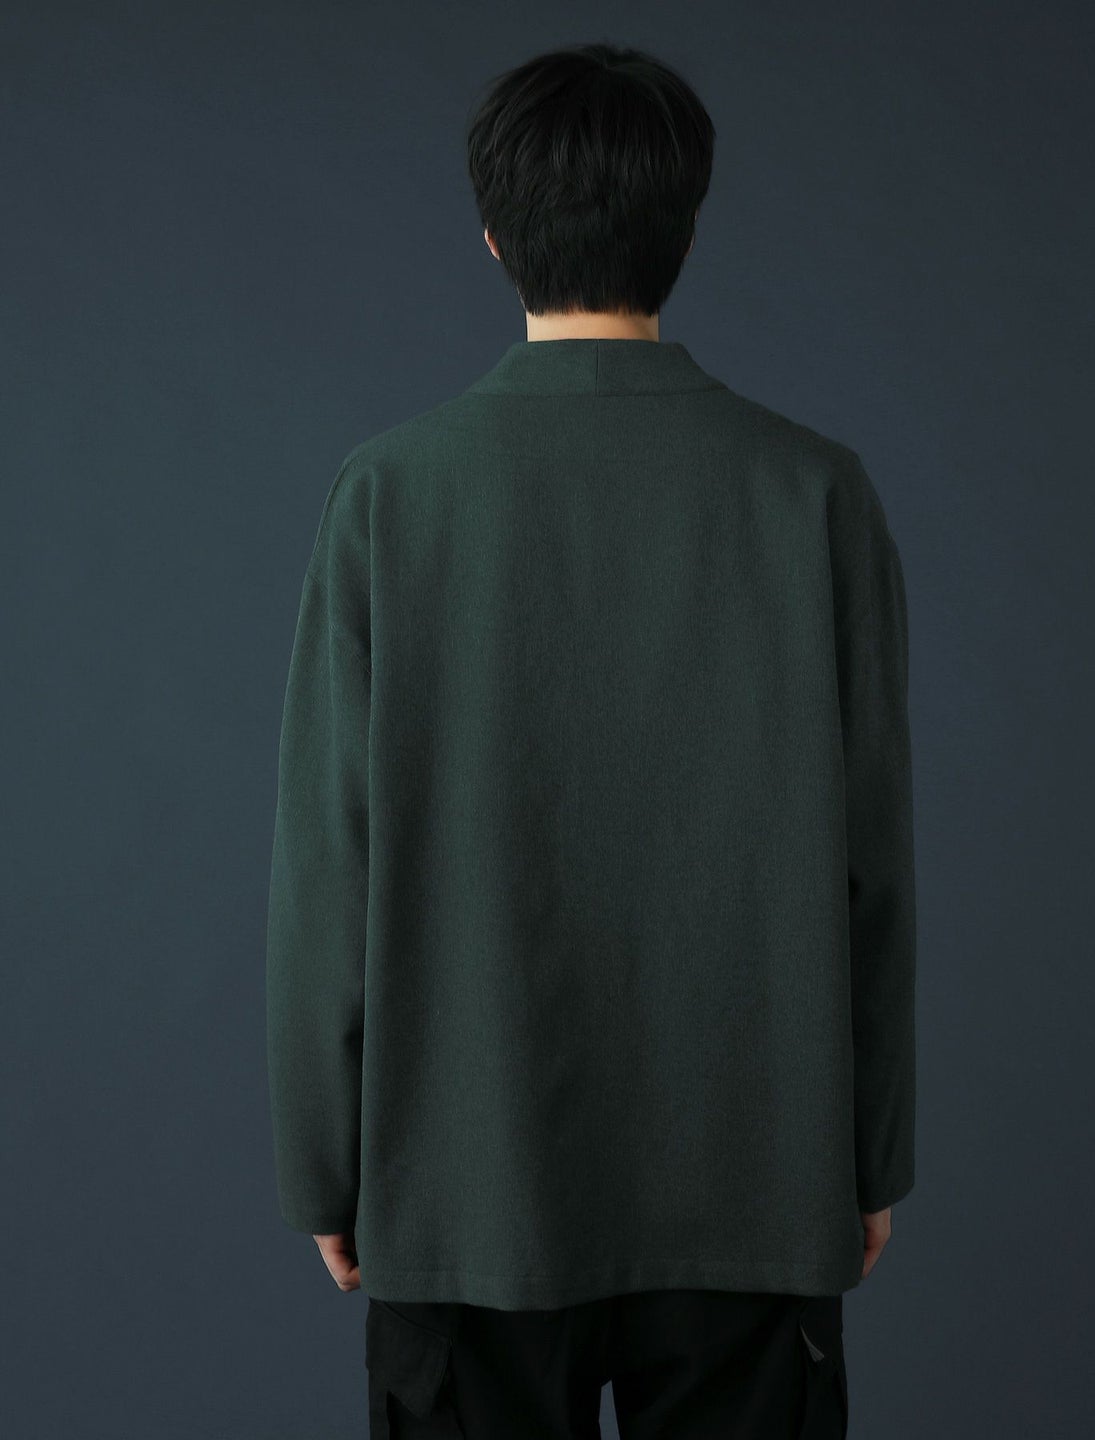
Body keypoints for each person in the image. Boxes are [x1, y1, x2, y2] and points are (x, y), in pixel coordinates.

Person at [265, 39, 917, 1439]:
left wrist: (327, 1163)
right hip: (757, 1181)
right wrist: (867, 1155)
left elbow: (331, 868)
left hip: (464, 1194)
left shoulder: (388, 496)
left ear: (494, 237)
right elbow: (872, 862)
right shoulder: (814, 494)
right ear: (686, 229)